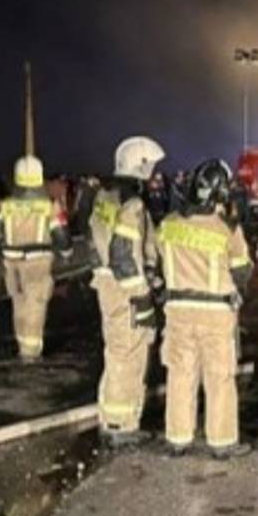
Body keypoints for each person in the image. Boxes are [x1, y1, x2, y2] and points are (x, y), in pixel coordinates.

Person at [156, 159, 253, 459]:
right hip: (216, 314)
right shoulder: (227, 229)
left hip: (177, 311)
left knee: (180, 374)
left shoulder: (168, 224)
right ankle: (222, 442)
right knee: (219, 377)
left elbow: (158, 260)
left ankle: (178, 438)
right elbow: (242, 271)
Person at [89, 136, 165, 448]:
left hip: (107, 283)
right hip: (125, 288)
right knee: (129, 353)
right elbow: (124, 255)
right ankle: (121, 426)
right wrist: (142, 295)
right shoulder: (132, 203)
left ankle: (112, 418)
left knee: (117, 350)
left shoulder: (105, 196)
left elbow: (99, 245)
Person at [0, 154, 69, 361]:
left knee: (19, 302)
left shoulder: (5, 205)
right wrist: (66, 253)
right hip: (37, 262)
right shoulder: (49, 205)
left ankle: (22, 344)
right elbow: (62, 236)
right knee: (35, 305)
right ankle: (31, 354)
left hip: (12, 263)